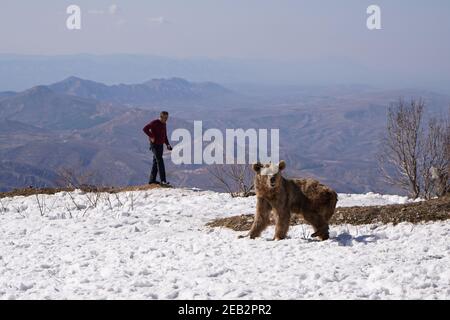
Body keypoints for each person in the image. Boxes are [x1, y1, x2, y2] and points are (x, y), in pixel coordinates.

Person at [142, 111, 173, 186]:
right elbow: (145, 129)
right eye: (165, 118)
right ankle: (163, 181)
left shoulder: (164, 124)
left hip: (160, 145)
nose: (166, 119)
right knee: (160, 161)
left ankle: (152, 180)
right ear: (161, 117)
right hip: (154, 145)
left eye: (167, 118)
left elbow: (164, 136)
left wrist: (168, 144)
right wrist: (151, 136)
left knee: (156, 162)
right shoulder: (154, 122)